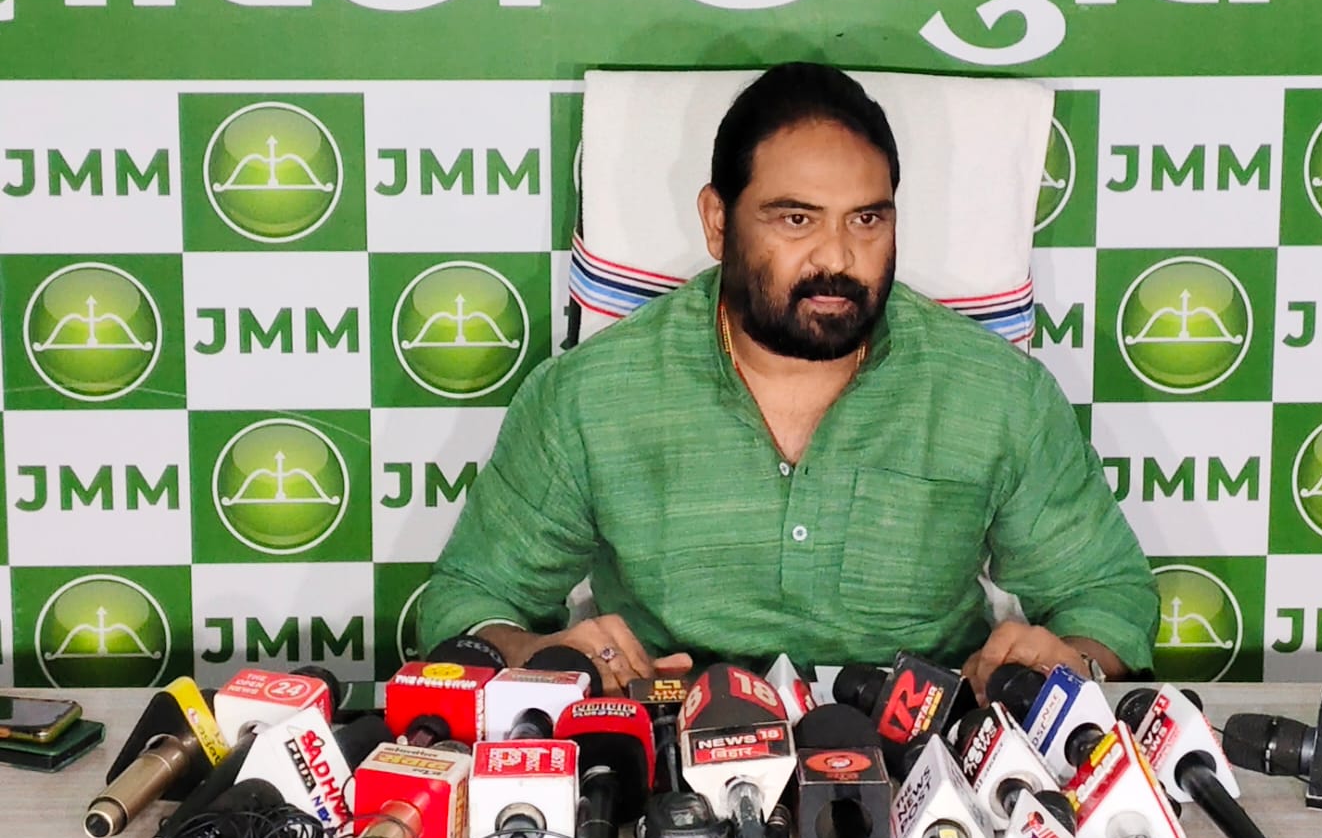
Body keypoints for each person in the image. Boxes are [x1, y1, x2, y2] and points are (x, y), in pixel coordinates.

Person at [420, 62, 1157, 695]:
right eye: (796, 220)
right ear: (718, 222)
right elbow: (469, 600)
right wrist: (534, 655)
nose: (837, 258)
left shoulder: (998, 394)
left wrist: (1073, 664)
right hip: (669, 757)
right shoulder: (587, 396)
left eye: (866, 220)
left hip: (928, 758)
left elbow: (1106, 596)